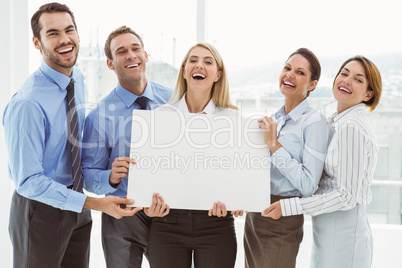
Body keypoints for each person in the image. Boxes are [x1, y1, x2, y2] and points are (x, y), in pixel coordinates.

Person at [2, 3, 141, 268]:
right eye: (53, 33)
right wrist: (94, 202)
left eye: (69, 30)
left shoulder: (76, 77)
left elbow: (76, 147)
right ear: (37, 42)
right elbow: (29, 180)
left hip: (77, 207)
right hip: (40, 210)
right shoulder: (28, 103)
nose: (65, 39)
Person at [263, 55, 382, 268]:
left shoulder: (351, 128)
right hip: (328, 232)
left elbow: (346, 196)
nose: (346, 80)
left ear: (369, 94)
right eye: (344, 73)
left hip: (343, 236)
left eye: (358, 79)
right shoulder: (336, 121)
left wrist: (290, 206)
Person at [81, 26, 173, 267]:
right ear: (110, 64)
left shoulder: (174, 100)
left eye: (136, 49)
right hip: (122, 215)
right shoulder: (99, 116)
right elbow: (87, 175)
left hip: (169, 211)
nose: (131, 55)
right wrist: (110, 177)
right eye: (121, 51)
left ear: (146, 55)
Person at [147, 42, 240, 268]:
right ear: (184, 71)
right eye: (193, 60)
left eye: (208, 61)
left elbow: (238, 175)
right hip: (166, 224)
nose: (200, 65)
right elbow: (149, 173)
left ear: (218, 75)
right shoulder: (160, 117)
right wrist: (148, 205)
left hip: (216, 224)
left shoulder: (233, 120)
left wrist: (239, 200)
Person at [243, 48, 330, 268]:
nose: (290, 74)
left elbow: (309, 185)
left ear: (312, 84)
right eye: (287, 68)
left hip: (280, 217)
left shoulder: (314, 122)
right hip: (256, 211)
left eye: (300, 72)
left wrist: (274, 145)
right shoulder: (276, 118)